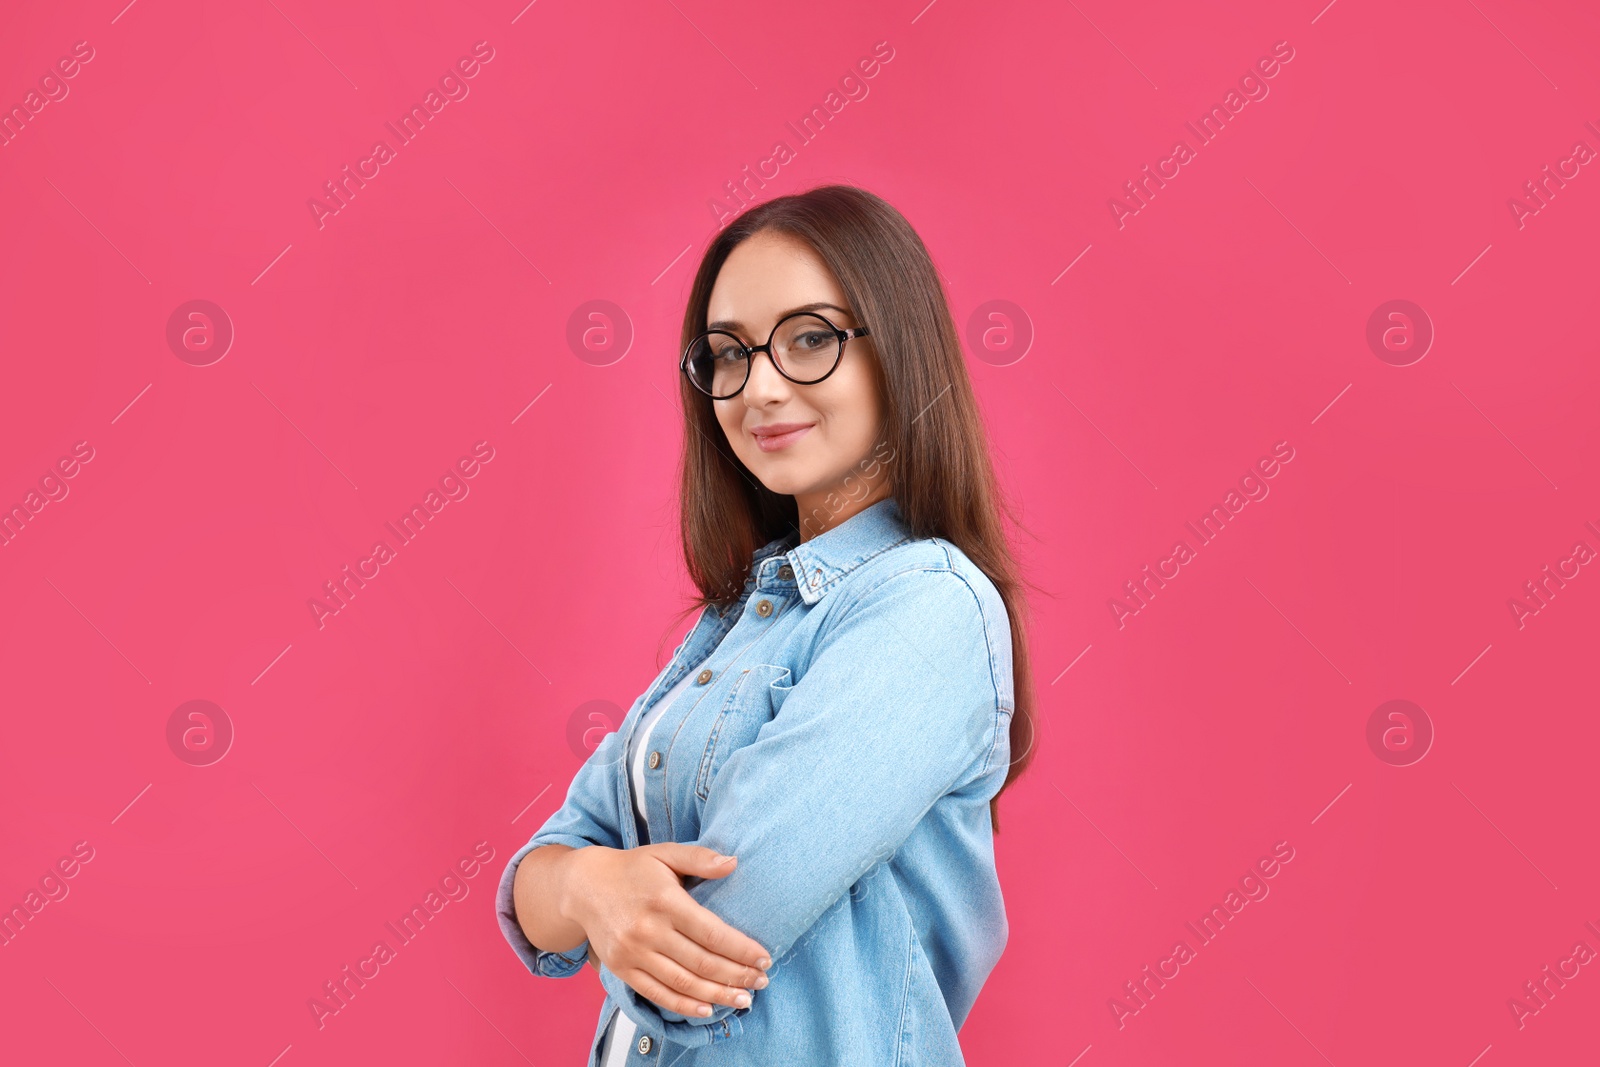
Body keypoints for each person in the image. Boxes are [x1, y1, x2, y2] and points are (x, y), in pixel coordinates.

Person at [494, 184, 1039, 1065]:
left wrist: (594, 896)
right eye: (727, 354)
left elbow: (711, 939)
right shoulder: (737, 621)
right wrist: (592, 883)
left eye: (811, 338)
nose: (762, 387)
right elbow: (538, 880)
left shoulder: (928, 607)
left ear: (897, 346)